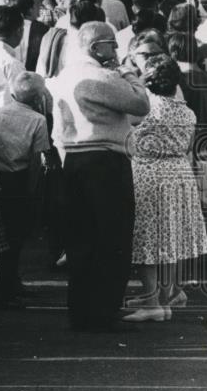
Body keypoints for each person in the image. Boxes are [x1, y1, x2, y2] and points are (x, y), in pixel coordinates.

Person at [47, 22, 150, 332]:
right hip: (106, 159)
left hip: (74, 159)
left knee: (81, 238)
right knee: (112, 237)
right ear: (96, 48)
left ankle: (81, 309)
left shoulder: (64, 77)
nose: (116, 51)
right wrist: (129, 72)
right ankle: (104, 310)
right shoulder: (103, 75)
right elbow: (141, 105)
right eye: (111, 44)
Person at [123, 55, 207, 322]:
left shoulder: (145, 108)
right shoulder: (186, 111)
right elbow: (187, 146)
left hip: (150, 173)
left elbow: (129, 141)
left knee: (147, 241)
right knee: (170, 240)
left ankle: (151, 303)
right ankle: (165, 297)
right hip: (179, 173)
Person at [0, 72, 52, 306]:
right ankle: (7, 284)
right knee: (15, 235)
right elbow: (36, 159)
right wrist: (32, 191)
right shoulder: (38, 120)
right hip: (19, 177)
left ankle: (3, 281)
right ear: (38, 97)